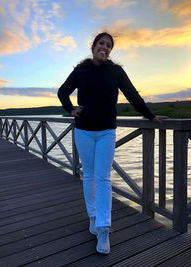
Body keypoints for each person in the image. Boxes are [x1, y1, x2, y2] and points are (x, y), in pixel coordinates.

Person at [58, 32, 167, 254]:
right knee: (89, 175)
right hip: (84, 132)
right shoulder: (82, 70)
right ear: (93, 46)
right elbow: (63, 92)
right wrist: (70, 109)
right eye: (101, 43)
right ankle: (93, 218)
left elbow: (133, 96)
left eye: (108, 45)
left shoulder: (116, 71)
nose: (104, 47)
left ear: (110, 50)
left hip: (107, 132)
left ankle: (104, 228)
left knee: (103, 177)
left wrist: (150, 116)